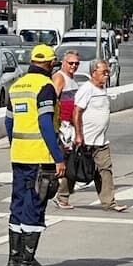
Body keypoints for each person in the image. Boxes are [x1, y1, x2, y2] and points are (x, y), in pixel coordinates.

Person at [4, 44, 66, 266]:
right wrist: (58, 157)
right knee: (35, 206)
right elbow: (46, 124)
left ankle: (14, 259)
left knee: (18, 205)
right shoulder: (45, 87)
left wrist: (16, 144)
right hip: (39, 157)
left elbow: (9, 123)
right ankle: (27, 262)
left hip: (19, 154)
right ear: (51, 64)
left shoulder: (17, 85)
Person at [67, 60, 127, 212]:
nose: (107, 76)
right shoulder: (87, 89)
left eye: (108, 72)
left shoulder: (103, 89)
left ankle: (109, 203)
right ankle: (62, 196)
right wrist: (79, 135)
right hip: (85, 139)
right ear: (94, 73)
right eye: (103, 73)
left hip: (101, 140)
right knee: (76, 169)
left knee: (105, 170)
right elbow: (77, 112)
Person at [52, 50, 81, 209]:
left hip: (71, 125)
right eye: (71, 63)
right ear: (64, 63)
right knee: (65, 160)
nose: (74, 66)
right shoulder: (59, 78)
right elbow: (54, 101)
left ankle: (63, 193)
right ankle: (59, 193)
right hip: (63, 127)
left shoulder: (72, 79)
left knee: (70, 159)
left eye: (76, 63)